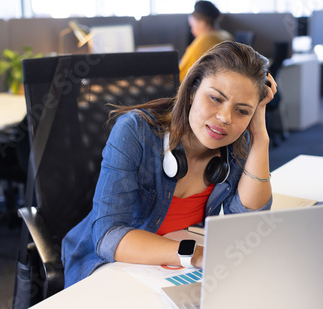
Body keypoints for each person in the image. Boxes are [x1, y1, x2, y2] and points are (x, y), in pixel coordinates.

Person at [61, 41, 277, 288]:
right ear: (193, 89)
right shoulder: (135, 132)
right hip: (109, 263)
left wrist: (260, 136)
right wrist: (195, 255)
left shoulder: (239, 140)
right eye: (216, 98)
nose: (225, 118)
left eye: (242, 111)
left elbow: (247, 223)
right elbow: (108, 237)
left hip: (171, 270)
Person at [179, 0, 233, 81]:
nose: (192, 30)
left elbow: (183, 75)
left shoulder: (205, 40)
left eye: (192, 26)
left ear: (202, 23)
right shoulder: (225, 34)